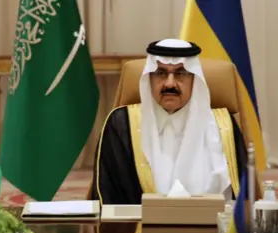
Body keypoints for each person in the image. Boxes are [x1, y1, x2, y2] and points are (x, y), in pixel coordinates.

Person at [90, 39, 248, 204]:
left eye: (180, 73)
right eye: (160, 73)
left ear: (195, 79)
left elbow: (243, 198)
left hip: (211, 227)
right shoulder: (122, 124)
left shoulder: (222, 126)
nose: (170, 83)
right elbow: (108, 197)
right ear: (149, 78)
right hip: (141, 228)